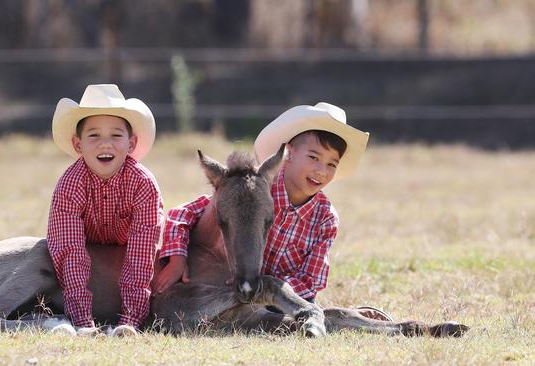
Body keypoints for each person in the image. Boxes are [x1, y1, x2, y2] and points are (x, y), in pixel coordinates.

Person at [154, 102, 374, 312]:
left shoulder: (325, 218)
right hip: (243, 283)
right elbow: (185, 212)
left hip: (283, 295)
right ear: (289, 153)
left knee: (299, 311)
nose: (321, 171)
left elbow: (311, 279)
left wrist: (272, 293)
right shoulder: (258, 191)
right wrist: (177, 257)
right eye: (314, 157)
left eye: (331, 164)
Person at [47, 84, 163, 332]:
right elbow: (70, 250)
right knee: (64, 255)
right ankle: (72, 316)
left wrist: (130, 320)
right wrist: (82, 321)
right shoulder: (69, 185)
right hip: (85, 247)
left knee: (146, 261)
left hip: (125, 249)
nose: (105, 144)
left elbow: (141, 256)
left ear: (131, 144)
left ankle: (130, 318)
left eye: (116, 136)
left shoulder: (143, 184)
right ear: (78, 145)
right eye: (94, 136)